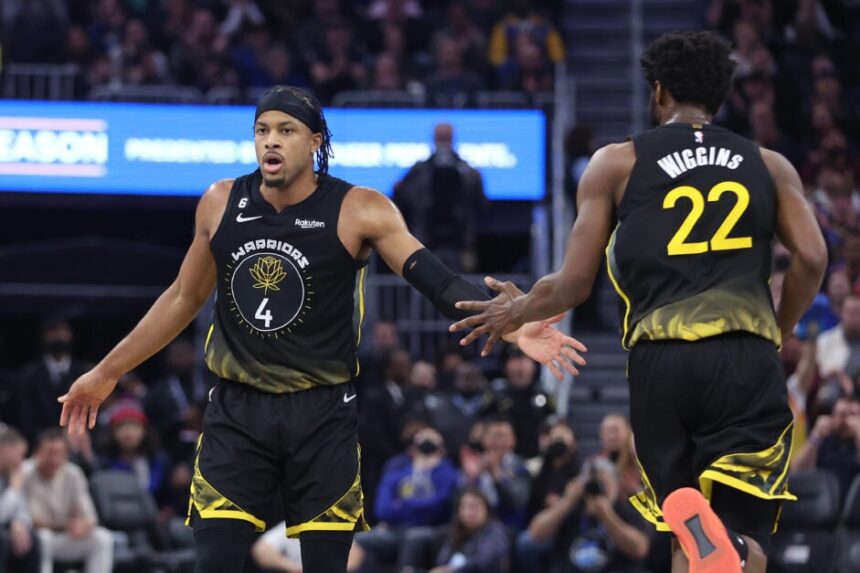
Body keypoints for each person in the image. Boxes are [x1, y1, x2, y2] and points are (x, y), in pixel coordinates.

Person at [57, 85, 586, 573]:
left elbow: (435, 279)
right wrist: (107, 372)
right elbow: (181, 298)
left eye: (285, 130)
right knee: (215, 562)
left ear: (314, 142)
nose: (271, 140)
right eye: (262, 130)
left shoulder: (359, 208)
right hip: (238, 411)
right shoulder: (220, 201)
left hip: (322, 414)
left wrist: (511, 324)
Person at [451, 31, 828, 573]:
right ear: (721, 96)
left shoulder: (616, 163)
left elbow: (573, 284)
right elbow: (812, 258)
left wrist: (516, 310)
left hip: (661, 363)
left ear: (659, 92)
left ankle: (714, 543)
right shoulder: (769, 165)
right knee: (741, 532)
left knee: (685, 537)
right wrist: (778, 331)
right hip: (745, 357)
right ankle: (739, 547)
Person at [523, 457, 650, 573]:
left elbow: (639, 549)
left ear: (615, 484)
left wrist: (608, 517)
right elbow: (535, 534)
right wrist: (567, 501)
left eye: (604, 482)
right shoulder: (572, 508)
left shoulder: (625, 511)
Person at [393, 123, 486, 272]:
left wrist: (478, 181)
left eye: (446, 137)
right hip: (425, 239)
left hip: (459, 241)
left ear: (453, 139)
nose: (443, 142)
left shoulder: (470, 172)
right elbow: (401, 201)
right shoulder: (419, 170)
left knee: (461, 283)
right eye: (440, 137)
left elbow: (481, 204)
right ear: (434, 139)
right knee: (423, 280)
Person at [23, 429, 113, 573]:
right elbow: (31, 520)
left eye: (59, 453)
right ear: (37, 452)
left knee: (102, 538)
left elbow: (91, 517)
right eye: (49, 453)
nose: (54, 460)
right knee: (43, 537)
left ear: (66, 454)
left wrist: (84, 525)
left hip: (65, 536)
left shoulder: (74, 473)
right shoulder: (24, 472)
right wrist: (65, 525)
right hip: (34, 540)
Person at [17, 318, 89, 444]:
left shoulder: (85, 373)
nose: (59, 336)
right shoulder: (29, 375)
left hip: (78, 439)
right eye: (53, 331)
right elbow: (26, 416)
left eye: (63, 331)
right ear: (44, 336)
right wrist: (50, 438)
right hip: (41, 442)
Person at [431, 487, 510, 573]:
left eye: (476, 506)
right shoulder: (456, 530)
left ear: (487, 510)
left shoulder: (495, 531)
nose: (471, 512)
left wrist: (453, 570)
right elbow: (442, 560)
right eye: (466, 507)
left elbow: (483, 563)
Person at [0, 428, 40, 573]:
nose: (21, 461)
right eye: (20, 454)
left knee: (32, 538)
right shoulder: (14, 481)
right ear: (4, 449)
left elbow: (23, 510)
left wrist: (19, 523)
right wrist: (14, 490)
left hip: (6, 530)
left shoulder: (11, 475)